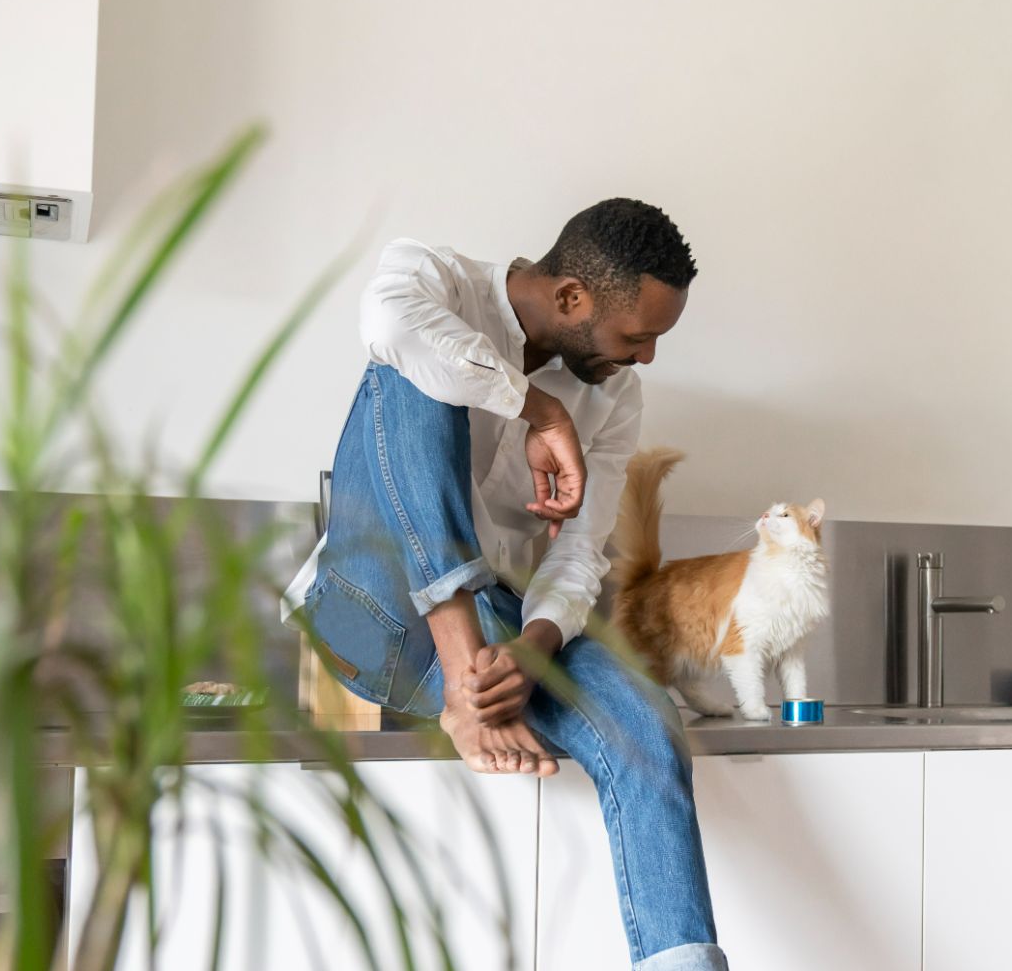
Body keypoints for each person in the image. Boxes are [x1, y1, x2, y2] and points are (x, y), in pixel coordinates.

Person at [282, 198, 725, 971]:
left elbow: (581, 550)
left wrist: (535, 644)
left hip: (499, 635)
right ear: (570, 299)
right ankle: (464, 694)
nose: (647, 357)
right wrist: (537, 407)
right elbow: (391, 328)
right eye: (639, 336)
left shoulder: (616, 396)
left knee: (644, 722)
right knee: (415, 378)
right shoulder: (436, 281)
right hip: (370, 614)